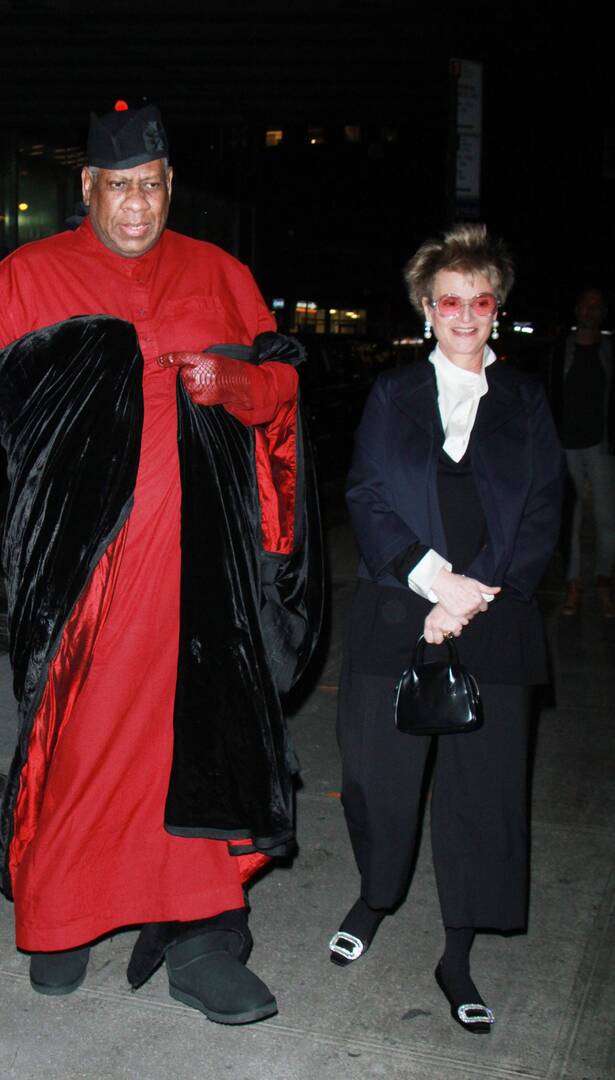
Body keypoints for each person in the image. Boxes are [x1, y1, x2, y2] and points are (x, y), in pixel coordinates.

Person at [0, 102, 322, 1025]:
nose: (137, 205)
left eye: (150, 186)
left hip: (200, 575)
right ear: (88, 187)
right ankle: (64, 915)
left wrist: (232, 381)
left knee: (195, 745)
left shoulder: (220, 272)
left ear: (169, 184)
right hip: (85, 578)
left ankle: (201, 938)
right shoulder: (30, 273)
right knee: (80, 746)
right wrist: (79, 358)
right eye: (119, 187)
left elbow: (283, 386)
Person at [331, 224, 563, 1034]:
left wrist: (471, 596)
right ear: (426, 309)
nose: (464, 315)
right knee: (375, 776)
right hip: (398, 608)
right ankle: (374, 898)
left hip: (491, 619)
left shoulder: (525, 400)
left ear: (496, 310)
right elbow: (364, 495)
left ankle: (456, 950)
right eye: (449, 301)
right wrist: (431, 581)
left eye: (479, 301)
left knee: (480, 794)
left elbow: (542, 510)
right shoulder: (391, 393)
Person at [550, 287, 615, 617]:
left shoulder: (609, 350)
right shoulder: (561, 349)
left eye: (597, 306)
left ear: (603, 313)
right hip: (565, 445)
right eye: (585, 306)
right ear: (577, 310)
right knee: (570, 518)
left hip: (601, 445)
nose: (590, 312)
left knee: (607, 517)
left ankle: (604, 581)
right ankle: (573, 583)